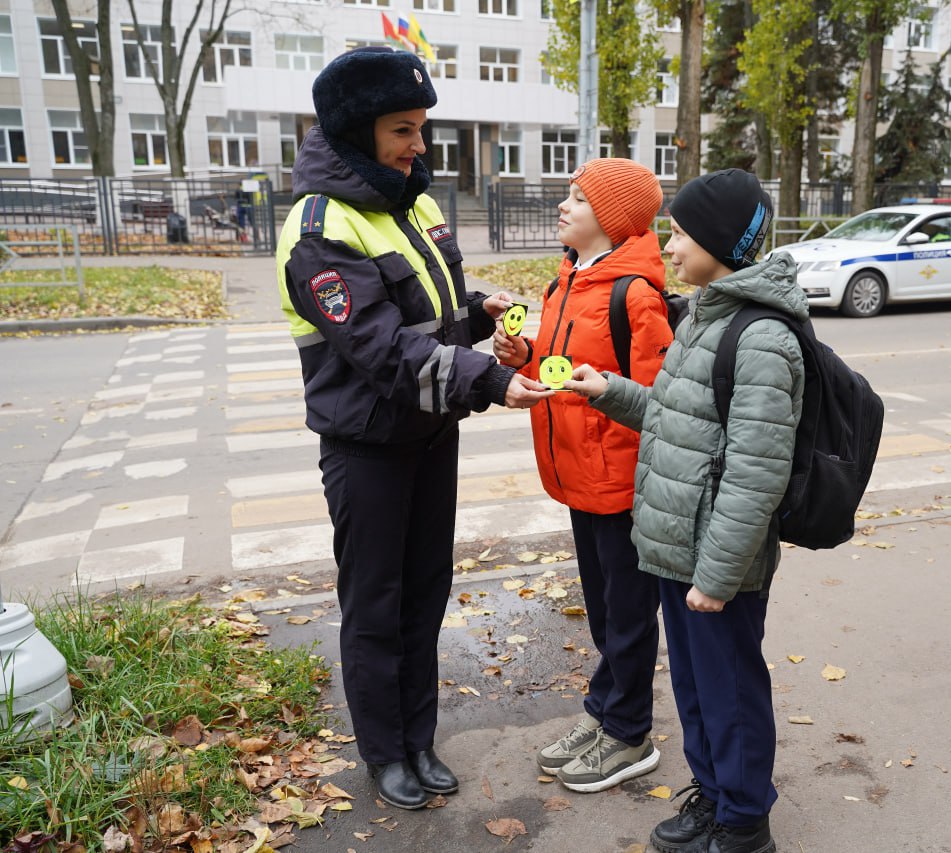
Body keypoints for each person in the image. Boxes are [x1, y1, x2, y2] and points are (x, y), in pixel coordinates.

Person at [274, 46, 553, 811]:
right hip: (367, 447)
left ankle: (419, 739)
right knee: (377, 605)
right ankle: (385, 752)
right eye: (403, 129)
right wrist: (489, 380)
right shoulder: (318, 228)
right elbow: (381, 348)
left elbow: (431, 313)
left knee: (425, 594)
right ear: (357, 130)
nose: (419, 145)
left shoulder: (414, 203)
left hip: (430, 433)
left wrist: (481, 312)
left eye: (421, 127)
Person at [563, 169, 803, 853]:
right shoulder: (705, 314)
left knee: (731, 693)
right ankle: (714, 795)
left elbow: (756, 474)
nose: (667, 247)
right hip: (677, 548)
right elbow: (678, 419)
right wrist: (610, 390)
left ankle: (744, 822)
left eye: (679, 234)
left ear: (720, 242)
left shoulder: (762, 338)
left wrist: (718, 576)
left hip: (716, 563)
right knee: (698, 691)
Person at [491, 158, 672, 793]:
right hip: (576, 476)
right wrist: (523, 355)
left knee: (627, 614)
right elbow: (560, 365)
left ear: (613, 219)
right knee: (602, 610)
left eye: (578, 198)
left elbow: (657, 399)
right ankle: (604, 712)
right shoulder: (566, 281)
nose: (563, 206)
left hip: (621, 485)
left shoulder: (635, 294)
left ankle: (630, 734)